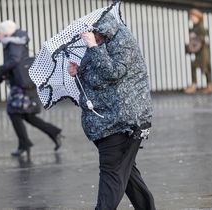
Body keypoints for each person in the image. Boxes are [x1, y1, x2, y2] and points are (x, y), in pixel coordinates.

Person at [67, 14, 156, 210]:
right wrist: (77, 73)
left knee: (111, 174)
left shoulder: (122, 41)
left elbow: (113, 73)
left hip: (123, 122)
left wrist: (93, 46)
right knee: (127, 175)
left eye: (92, 34)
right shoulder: (100, 42)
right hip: (107, 120)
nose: (90, 37)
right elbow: (97, 80)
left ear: (100, 29)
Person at [0, 20, 63, 158]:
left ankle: (25, 143)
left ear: (5, 32)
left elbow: (14, 61)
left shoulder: (13, 43)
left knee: (14, 112)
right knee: (25, 114)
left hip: (21, 84)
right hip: (20, 82)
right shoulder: (14, 41)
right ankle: (52, 132)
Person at [184, 8, 212, 94]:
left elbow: (203, 39)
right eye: (191, 17)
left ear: (198, 17)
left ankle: (203, 86)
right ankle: (208, 86)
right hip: (198, 52)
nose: (192, 18)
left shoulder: (201, 27)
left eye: (194, 17)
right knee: (201, 67)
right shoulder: (193, 28)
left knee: (205, 68)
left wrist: (195, 37)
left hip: (203, 52)